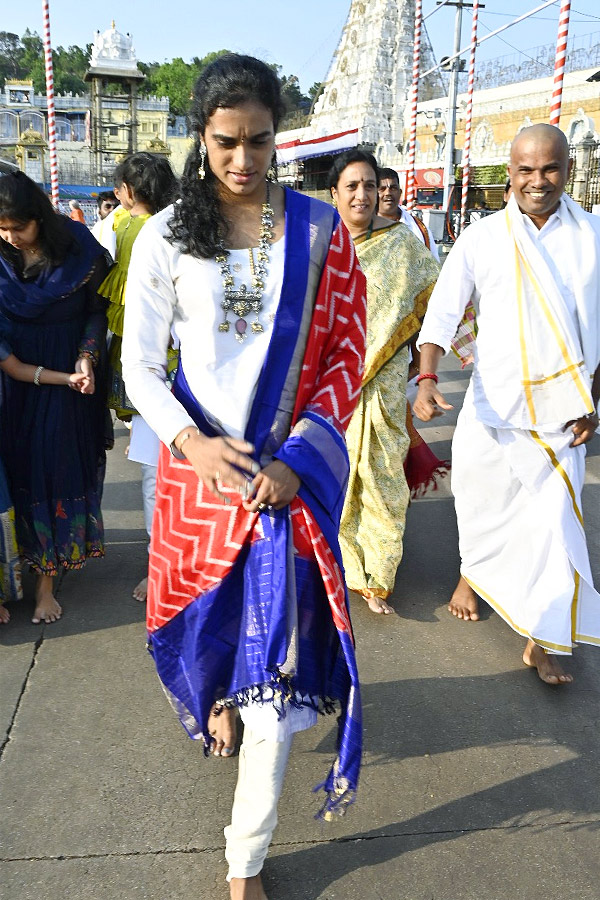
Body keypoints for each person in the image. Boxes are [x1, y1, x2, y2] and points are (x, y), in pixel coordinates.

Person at [122, 54, 367, 900]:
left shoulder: (320, 230)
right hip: (197, 483)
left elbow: (344, 355)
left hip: (283, 485)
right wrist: (188, 443)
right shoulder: (163, 236)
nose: (243, 160)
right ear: (201, 136)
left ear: (277, 137)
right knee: (206, 633)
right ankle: (217, 696)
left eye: (260, 142)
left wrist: (300, 458)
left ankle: (245, 858)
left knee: (275, 691)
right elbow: (140, 367)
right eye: (226, 142)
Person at [414, 123, 600, 685]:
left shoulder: (593, 235)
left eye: (550, 169)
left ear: (568, 171)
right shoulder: (482, 237)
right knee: (481, 504)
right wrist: (425, 379)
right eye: (526, 170)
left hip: (565, 412)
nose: (538, 181)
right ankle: (474, 572)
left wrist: (595, 399)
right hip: (495, 404)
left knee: (553, 525)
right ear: (508, 176)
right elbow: (443, 313)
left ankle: (540, 638)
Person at [328, 149, 440, 615]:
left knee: (380, 477)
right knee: (333, 475)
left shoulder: (403, 245)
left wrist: (424, 368)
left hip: (384, 384)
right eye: (351, 186)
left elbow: (440, 305)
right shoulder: (316, 245)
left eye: (369, 186)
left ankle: (377, 574)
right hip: (328, 385)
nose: (362, 194)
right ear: (334, 193)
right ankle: (340, 562)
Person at [0, 171, 109, 624]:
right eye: (1, 229)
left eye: (18, 228)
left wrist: (87, 356)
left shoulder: (79, 248)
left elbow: (96, 312)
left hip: (68, 376)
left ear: (39, 219)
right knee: (15, 470)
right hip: (12, 378)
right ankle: (13, 574)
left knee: (53, 467)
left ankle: (46, 583)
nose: (10, 238)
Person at [99, 152, 178, 603]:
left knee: (154, 474)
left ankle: (159, 567)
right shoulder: (187, 225)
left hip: (147, 373)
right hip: (188, 368)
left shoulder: (123, 227)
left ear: (128, 191)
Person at [377, 167, 440, 262]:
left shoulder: (420, 229)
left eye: (393, 188)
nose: (388, 193)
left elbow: (433, 268)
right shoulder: (359, 227)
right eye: (382, 189)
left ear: (400, 193)